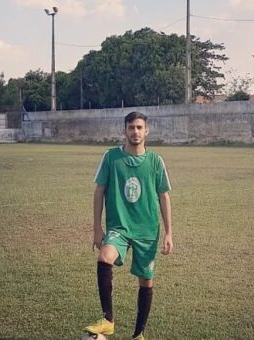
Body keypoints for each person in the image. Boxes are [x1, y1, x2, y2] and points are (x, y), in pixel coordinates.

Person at [84, 111, 173, 340]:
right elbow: (99, 192)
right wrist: (97, 228)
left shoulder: (155, 161)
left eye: (139, 127)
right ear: (124, 130)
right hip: (119, 228)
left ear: (147, 131)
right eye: (131, 127)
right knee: (105, 257)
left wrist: (169, 232)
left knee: (146, 280)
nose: (135, 132)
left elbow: (164, 196)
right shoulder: (111, 157)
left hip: (147, 230)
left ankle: (138, 335)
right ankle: (108, 320)